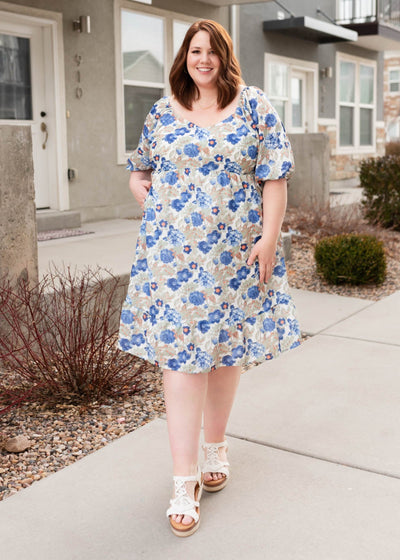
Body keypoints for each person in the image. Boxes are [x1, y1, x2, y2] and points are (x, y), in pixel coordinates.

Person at [118, 19, 301, 537]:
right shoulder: (161, 111)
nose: (203, 60)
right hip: (173, 260)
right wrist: (143, 190)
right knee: (180, 363)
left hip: (236, 255)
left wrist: (269, 238)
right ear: (185, 57)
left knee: (224, 353)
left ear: (224, 55)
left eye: (211, 51)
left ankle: (215, 444)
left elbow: (275, 176)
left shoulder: (254, 105)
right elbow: (140, 169)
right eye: (194, 51)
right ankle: (184, 478)